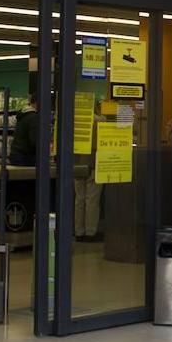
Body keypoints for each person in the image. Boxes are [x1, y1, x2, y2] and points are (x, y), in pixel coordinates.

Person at [74, 100, 103, 242]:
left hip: (77, 163)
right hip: (93, 163)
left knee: (79, 199)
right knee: (92, 200)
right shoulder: (99, 121)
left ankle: (78, 231)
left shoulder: (74, 120)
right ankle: (90, 232)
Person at [10, 95, 39, 167]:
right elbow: (34, 140)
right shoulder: (34, 117)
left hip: (16, 154)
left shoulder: (23, 115)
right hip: (26, 157)